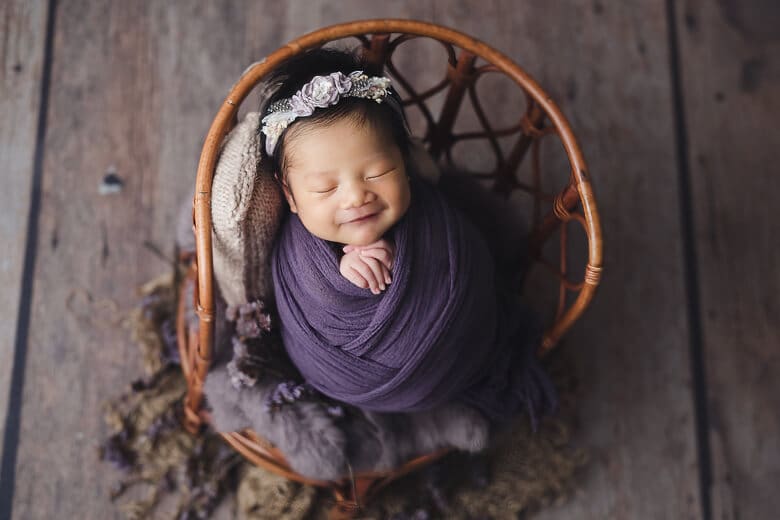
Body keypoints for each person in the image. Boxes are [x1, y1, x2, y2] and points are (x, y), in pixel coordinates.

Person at [264, 48, 556, 425]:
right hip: (344, 377)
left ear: (406, 163)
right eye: (324, 188)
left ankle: (437, 421)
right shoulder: (294, 255)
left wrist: (405, 255)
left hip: (452, 357)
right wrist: (341, 275)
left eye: (376, 172)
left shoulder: (437, 220)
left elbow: (469, 271)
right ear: (289, 195)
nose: (356, 196)